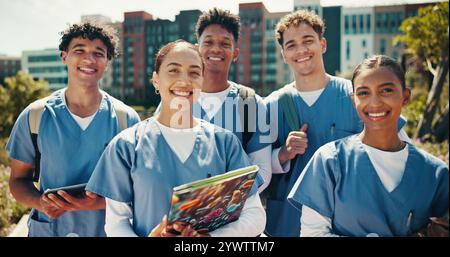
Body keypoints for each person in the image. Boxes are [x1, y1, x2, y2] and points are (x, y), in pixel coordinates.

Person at [86, 40, 266, 237]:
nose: (184, 80)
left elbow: (255, 215)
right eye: (173, 70)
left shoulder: (225, 143)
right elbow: (115, 224)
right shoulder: (126, 145)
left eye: (194, 72)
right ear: (156, 80)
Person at [263, 10, 409, 236]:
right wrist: (282, 154)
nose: (301, 50)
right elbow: (256, 167)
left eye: (308, 41)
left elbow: (401, 150)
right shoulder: (271, 104)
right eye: (291, 45)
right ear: (283, 54)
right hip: (289, 223)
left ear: (322, 44)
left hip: (350, 223)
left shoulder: (356, 95)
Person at [287, 55, 449, 237]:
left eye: (386, 90)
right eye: (363, 93)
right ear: (353, 100)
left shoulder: (435, 174)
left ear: (405, 96)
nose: (375, 102)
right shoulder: (330, 161)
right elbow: (312, 234)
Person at [6, 22, 141, 236]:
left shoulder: (126, 119)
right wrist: (40, 203)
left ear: (107, 62)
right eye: (79, 50)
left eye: (99, 53)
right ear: (64, 56)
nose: (89, 59)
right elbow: (18, 180)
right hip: (49, 230)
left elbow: (137, 188)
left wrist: (95, 203)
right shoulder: (35, 116)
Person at [193, 8, 272, 192]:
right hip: (185, 216)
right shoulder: (176, 100)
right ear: (197, 49)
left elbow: (263, 170)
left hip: (235, 214)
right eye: (209, 42)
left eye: (225, 43)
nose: (216, 49)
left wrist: (224, 204)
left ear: (235, 53)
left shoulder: (251, 103)